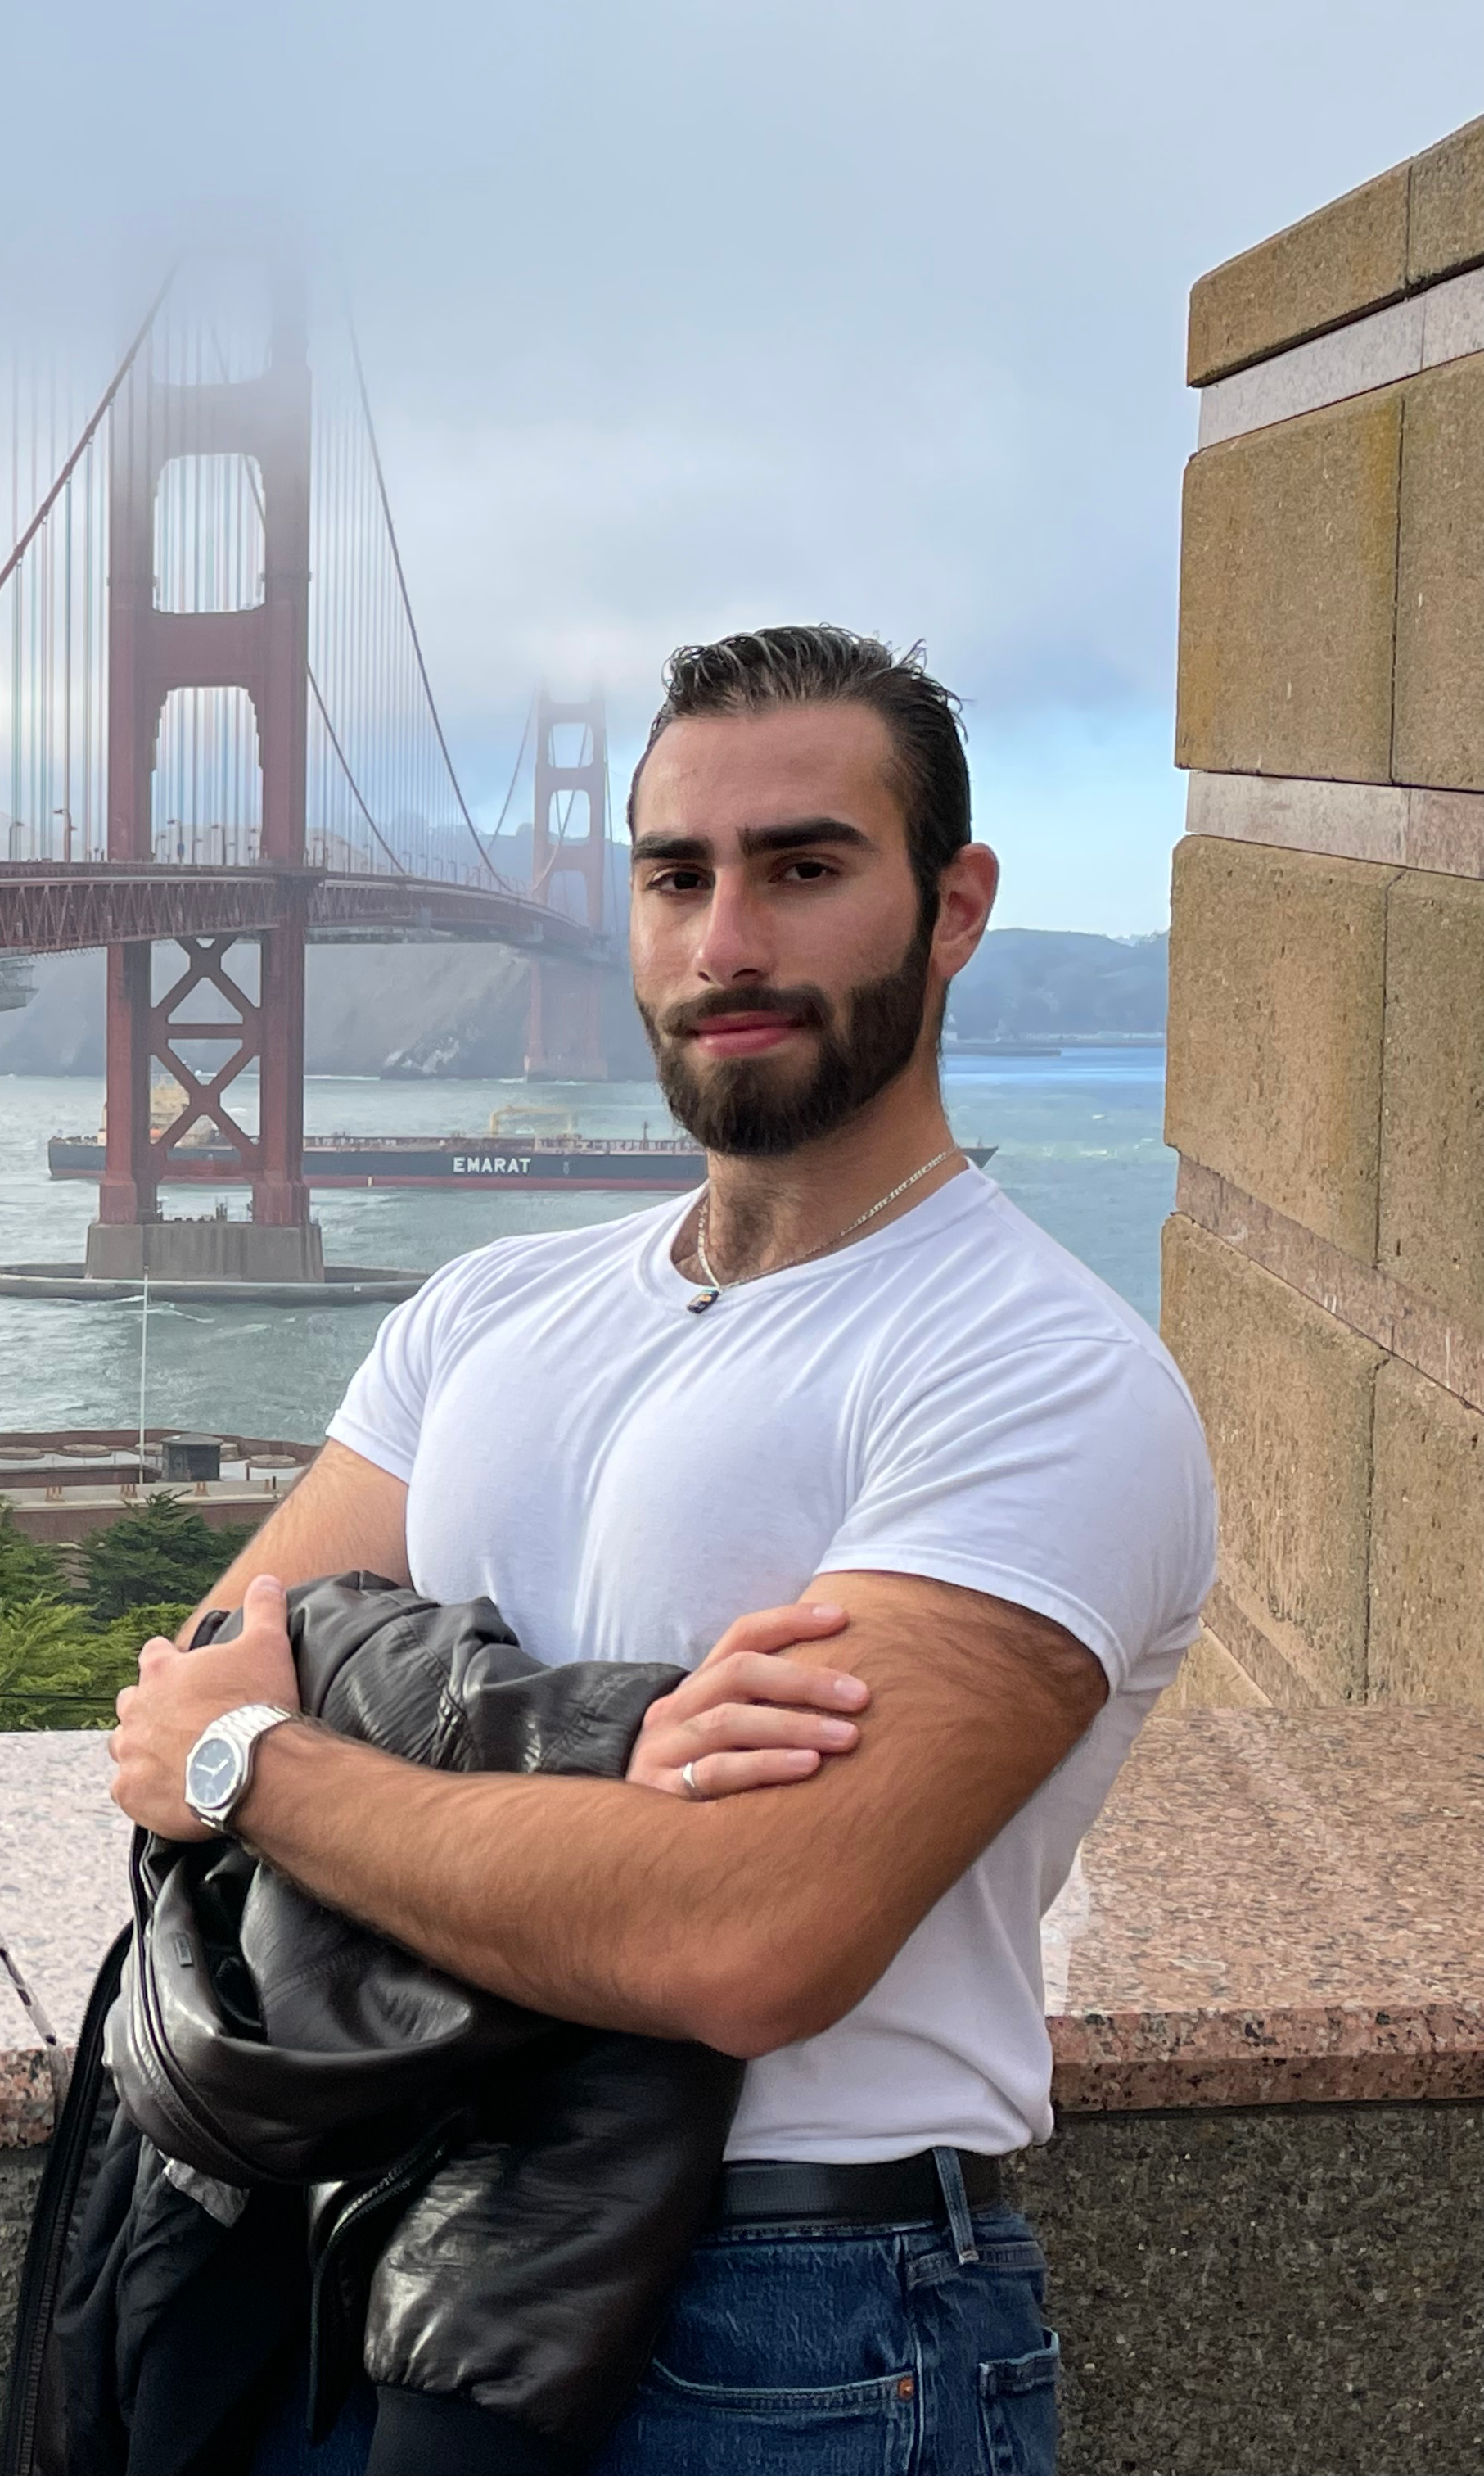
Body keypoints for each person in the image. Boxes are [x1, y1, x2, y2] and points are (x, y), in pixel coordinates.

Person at [109, 625, 1214, 2476]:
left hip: (784, 2322)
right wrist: (619, 1747)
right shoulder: (480, 1314)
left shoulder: (1046, 1384)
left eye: (802, 869)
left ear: (954, 907)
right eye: (675, 877)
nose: (727, 947)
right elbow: (196, 1670)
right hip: (380, 2260)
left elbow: (745, 1939)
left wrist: (262, 1763)